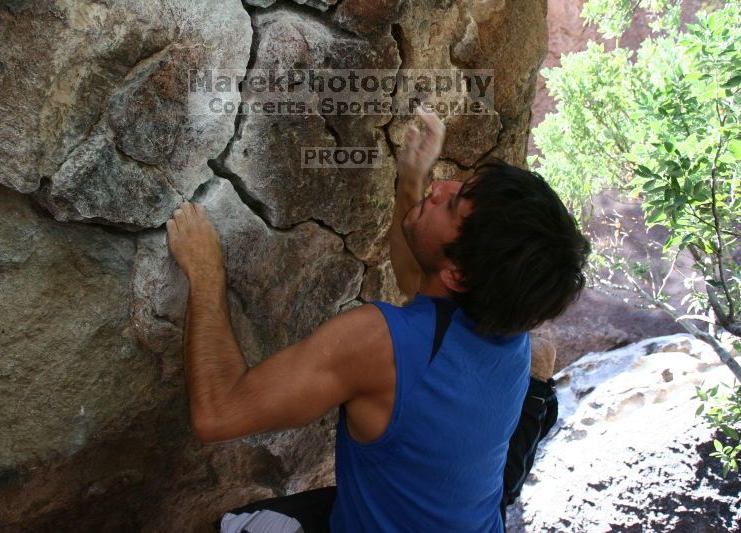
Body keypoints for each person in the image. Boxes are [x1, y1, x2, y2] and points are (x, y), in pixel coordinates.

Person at [166, 108, 590, 532]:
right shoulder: (507, 323)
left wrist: (205, 274)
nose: (441, 185)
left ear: (459, 274)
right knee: (538, 361)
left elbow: (219, 414)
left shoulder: (378, 342)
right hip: (472, 517)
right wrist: (411, 179)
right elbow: (420, 279)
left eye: (453, 204)